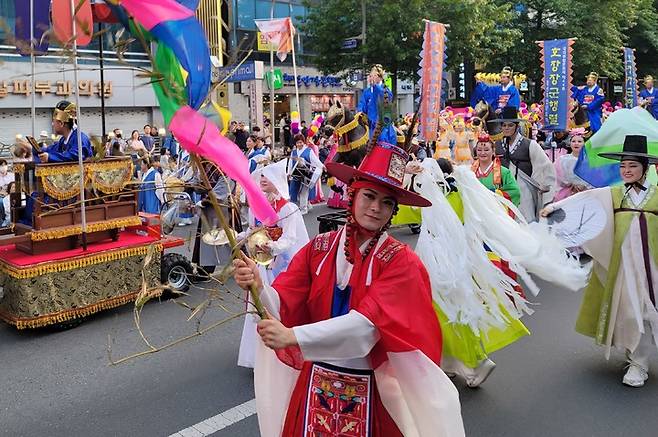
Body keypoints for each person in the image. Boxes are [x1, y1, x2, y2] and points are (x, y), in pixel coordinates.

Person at [233, 141, 464, 437]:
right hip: (315, 383)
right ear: (352, 194)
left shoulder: (400, 262)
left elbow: (367, 328)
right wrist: (258, 283)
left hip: (374, 389)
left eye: (386, 202)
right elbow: (282, 303)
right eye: (369, 196)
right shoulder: (319, 248)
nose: (375, 208)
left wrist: (293, 336)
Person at [540, 135, 658, 387]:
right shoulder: (614, 194)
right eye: (623, 166)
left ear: (645, 169)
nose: (626, 171)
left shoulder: (656, 195)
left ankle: (639, 359)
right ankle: (637, 358)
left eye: (633, 166)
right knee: (628, 308)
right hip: (624, 264)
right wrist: (554, 208)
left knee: (649, 310)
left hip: (652, 264)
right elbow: (585, 202)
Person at [237, 159, 309, 369]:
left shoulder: (288, 208)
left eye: (267, 176)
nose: (263, 180)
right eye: (261, 176)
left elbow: (290, 238)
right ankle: (258, 356)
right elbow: (252, 231)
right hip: (263, 265)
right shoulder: (258, 206)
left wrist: (273, 246)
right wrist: (236, 236)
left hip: (281, 266)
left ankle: (285, 351)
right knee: (258, 306)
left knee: (280, 306)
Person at [491, 106, 556, 221]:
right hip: (504, 189)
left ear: (516, 126)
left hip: (524, 189)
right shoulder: (497, 145)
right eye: (504, 125)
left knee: (525, 220)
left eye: (510, 125)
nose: (506, 128)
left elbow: (545, 167)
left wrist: (540, 186)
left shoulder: (529, 144)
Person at [471, 133, 520, 205]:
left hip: (496, 210)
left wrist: (496, 194)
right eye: (479, 150)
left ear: (493, 151)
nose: (482, 153)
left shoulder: (503, 172)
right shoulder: (470, 172)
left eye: (486, 150)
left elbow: (514, 191)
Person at [357, 64, 397, 144]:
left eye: (373, 75)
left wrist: (375, 86)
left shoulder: (386, 90)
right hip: (369, 124)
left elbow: (386, 100)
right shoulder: (366, 92)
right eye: (371, 75)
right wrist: (360, 112)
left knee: (383, 138)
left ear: (380, 76)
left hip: (382, 124)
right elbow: (362, 105)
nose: (371, 78)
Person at [287, 134, 323, 214]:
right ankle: (307, 204)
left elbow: (315, 161)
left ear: (303, 142)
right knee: (296, 191)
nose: (299, 144)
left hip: (306, 175)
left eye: (300, 142)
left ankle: (303, 209)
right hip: (295, 175)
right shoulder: (294, 152)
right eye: (297, 143)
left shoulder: (309, 151)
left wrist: (322, 166)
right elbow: (290, 163)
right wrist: (289, 173)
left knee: (304, 191)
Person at [553, 128, 592, 202]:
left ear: (584, 144)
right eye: (573, 141)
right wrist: (572, 185)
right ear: (570, 143)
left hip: (587, 194)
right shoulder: (562, 160)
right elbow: (557, 176)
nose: (576, 143)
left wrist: (585, 186)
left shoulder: (590, 161)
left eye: (579, 141)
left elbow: (594, 177)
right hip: (567, 195)